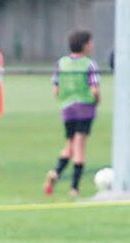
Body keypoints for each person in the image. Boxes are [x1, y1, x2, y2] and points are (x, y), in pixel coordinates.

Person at [44, 29, 101, 197]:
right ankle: (74, 188)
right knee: (79, 146)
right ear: (85, 45)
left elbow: (56, 89)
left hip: (67, 108)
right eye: (91, 42)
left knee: (70, 144)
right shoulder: (89, 64)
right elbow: (94, 89)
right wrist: (97, 100)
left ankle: (55, 172)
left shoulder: (61, 63)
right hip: (85, 108)